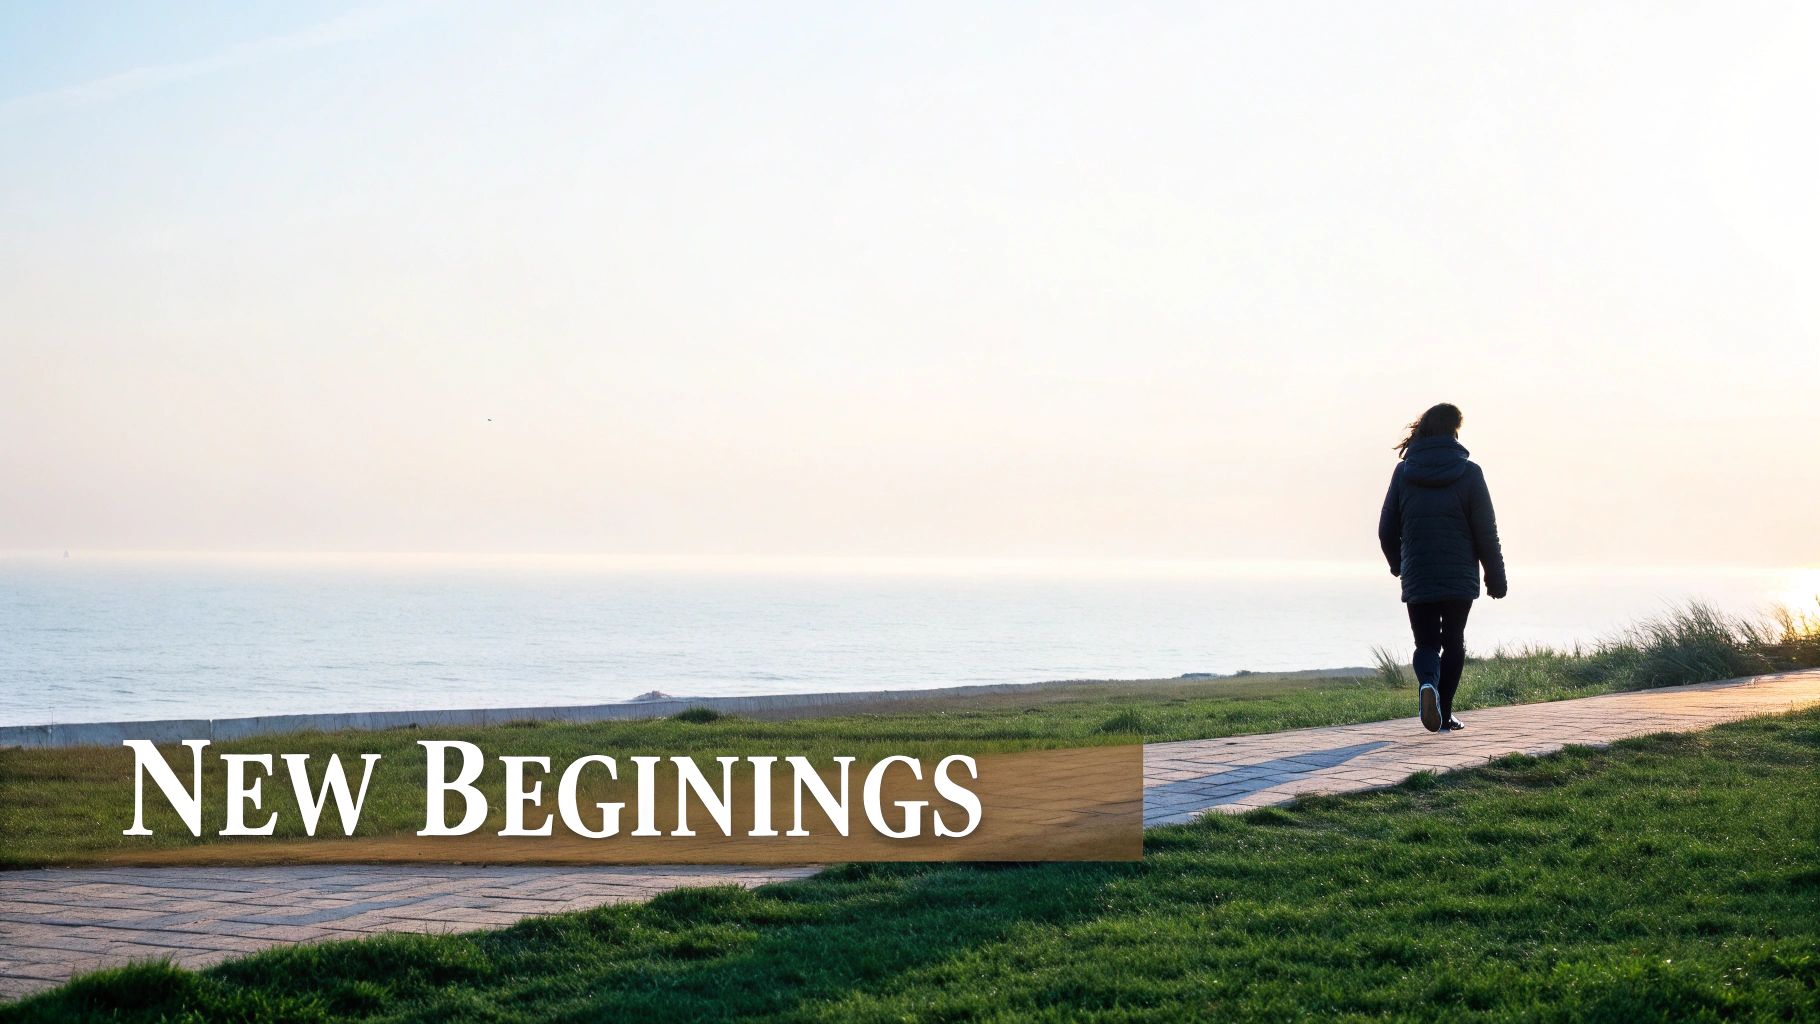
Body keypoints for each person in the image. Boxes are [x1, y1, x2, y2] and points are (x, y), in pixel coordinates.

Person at [1377, 403, 1506, 733]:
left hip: (1419, 574)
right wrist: (1496, 575)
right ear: (1454, 432)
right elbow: (1485, 531)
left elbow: (1386, 529)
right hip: (1459, 577)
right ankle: (1444, 713)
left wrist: (1398, 565)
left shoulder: (1404, 473)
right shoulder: (1470, 473)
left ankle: (1427, 687)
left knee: (1425, 644)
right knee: (1454, 641)